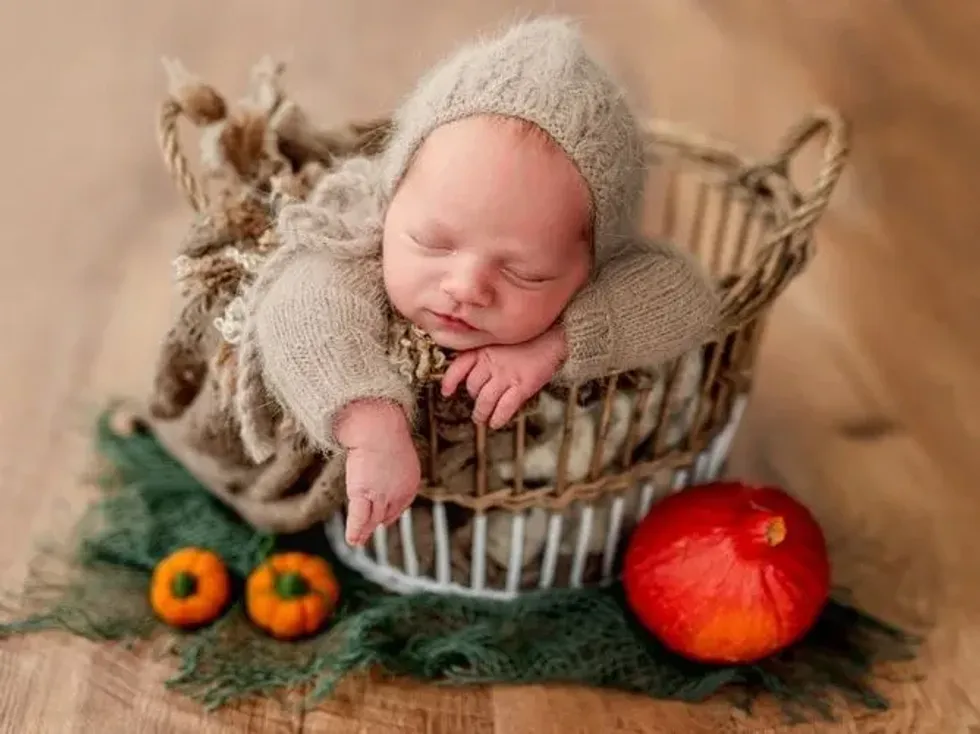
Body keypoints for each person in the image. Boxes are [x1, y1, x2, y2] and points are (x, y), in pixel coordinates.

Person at [234, 16, 721, 546]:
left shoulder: (595, 282)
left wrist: (556, 343)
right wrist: (371, 424)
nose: (466, 287)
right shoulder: (361, 243)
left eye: (523, 272)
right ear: (391, 201)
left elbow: (687, 294)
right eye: (433, 243)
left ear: (591, 267)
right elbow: (300, 309)